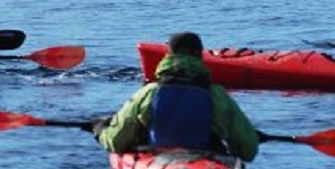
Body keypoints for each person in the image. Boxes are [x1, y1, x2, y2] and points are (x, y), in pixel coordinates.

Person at [96, 31, 260, 161]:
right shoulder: (217, 95)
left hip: (157, 159)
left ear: (169, 55)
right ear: (200, 55)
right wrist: (249, 137)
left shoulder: (148, 93)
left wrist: (100, 130)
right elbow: (248, 151)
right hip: (208, 161)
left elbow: (116, 142)